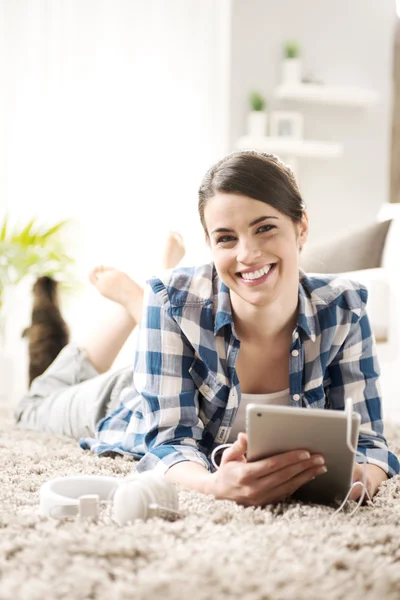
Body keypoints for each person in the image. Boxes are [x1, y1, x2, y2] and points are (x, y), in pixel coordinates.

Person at [15, 151, 399, 507]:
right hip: (123, 398)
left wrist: (361, 478)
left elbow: (370, 443)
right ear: (210, 245)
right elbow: (169, 441)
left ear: (301, 228)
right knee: (31, 407)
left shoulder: (345, 307)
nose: (247, 254)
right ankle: (142, 299)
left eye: (264, 228)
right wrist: (217, 486)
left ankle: (143, 303)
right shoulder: (174, 300)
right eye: (226, 238)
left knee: (166, 302)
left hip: (174, 342)